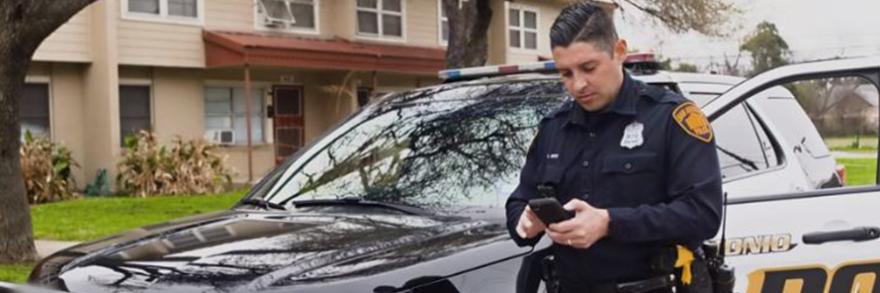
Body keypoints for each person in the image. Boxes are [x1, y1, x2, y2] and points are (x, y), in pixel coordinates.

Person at [505, 2, 723, 293]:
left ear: (619, 51)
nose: (578, 84)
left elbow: (703, 214)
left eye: (588, 67)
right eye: (566, 74)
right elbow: (519, 201)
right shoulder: (554, 128)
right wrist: (526, 222)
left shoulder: (671, 118)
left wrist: (610, 222)